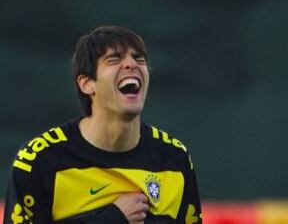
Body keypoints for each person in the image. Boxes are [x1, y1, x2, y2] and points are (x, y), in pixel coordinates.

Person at [3, 26, 202, 224]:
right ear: (86, 83)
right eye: (114, 59)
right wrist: (112, 219)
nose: (131, 64)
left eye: (139, 59)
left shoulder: (174, 159)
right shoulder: (40, 161)